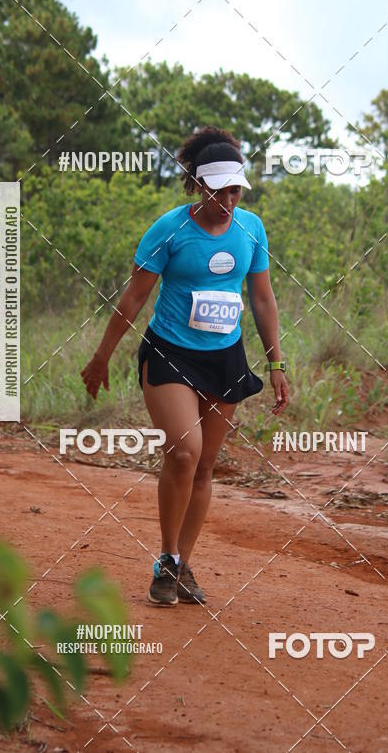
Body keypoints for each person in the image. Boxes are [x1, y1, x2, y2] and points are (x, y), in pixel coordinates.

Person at [81, 126, 289, 606]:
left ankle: (181, 567)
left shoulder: (251, 229)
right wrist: (100, 357)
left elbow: (261, 297)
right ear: (197, 185)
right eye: (219, 190)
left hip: (225, 356)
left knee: (205, 466)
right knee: (183, 451)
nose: (229, 200)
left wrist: (278, 362)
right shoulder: (169, 229)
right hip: (170, 352)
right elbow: (134, 296)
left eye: (235, 190)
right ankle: (167, 558)